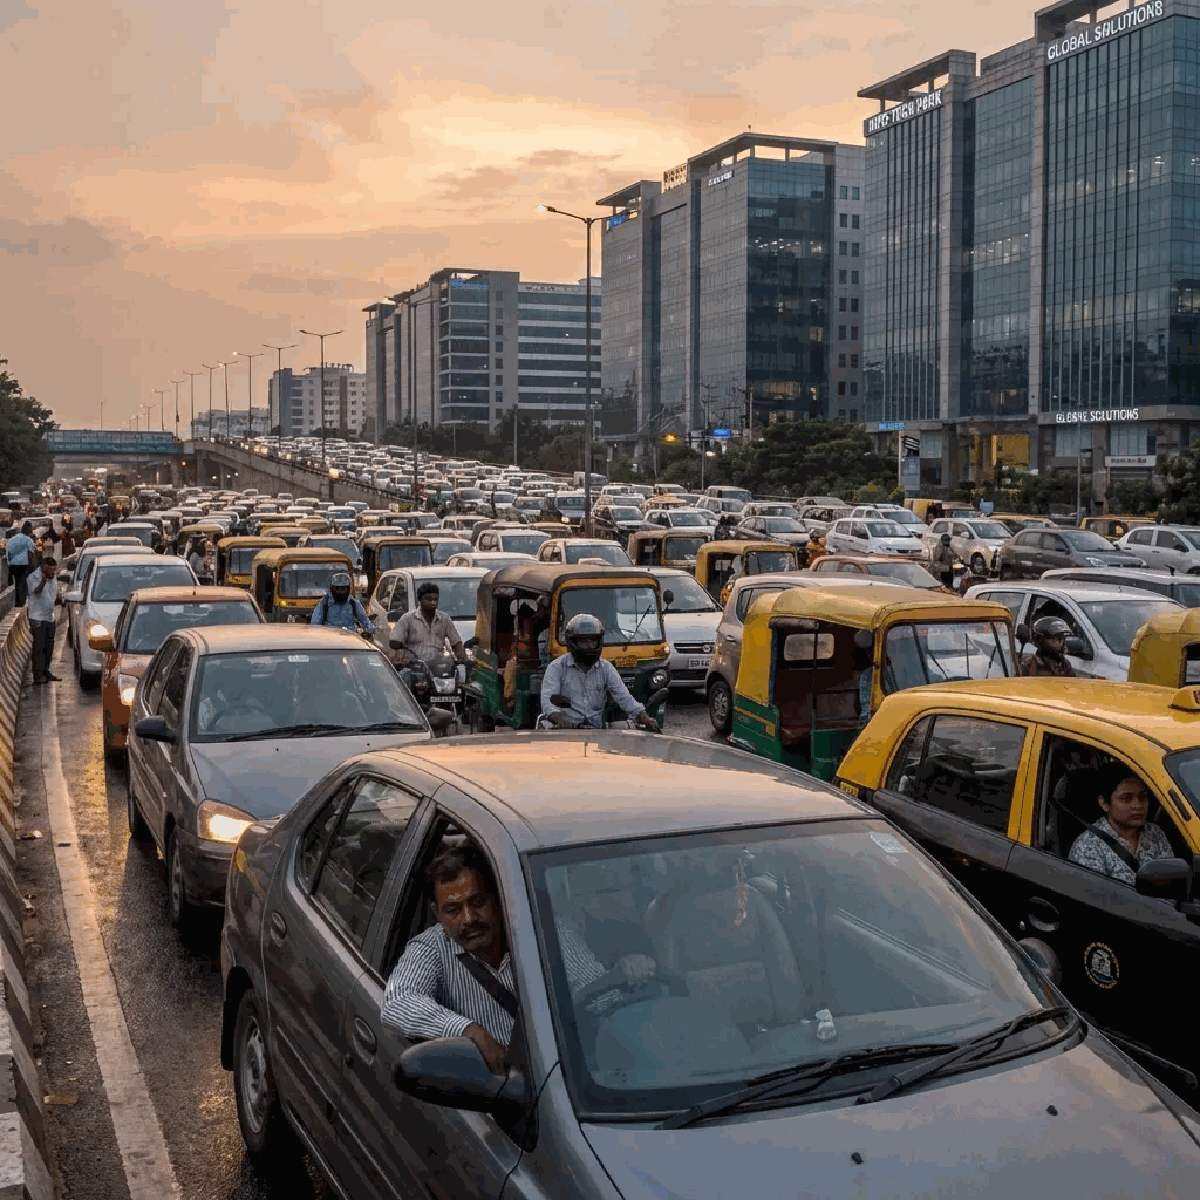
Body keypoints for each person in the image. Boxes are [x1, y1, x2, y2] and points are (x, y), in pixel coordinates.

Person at [380, 844, 655, 1073]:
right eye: (453, 909)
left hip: (572, 1078)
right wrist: (468, 1031)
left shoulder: (544, 931)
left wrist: (628, 975)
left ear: (498, 898)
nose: (469, 919)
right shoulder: (431, 948)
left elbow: (597, 995)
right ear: (436, 912)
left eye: (477, 903)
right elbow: (397, 1002)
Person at [540, 613, 660, 731]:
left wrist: (644, 716)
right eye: (584, 641)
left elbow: (624, 698)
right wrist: (561, 721)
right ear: (572, 642)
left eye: (593, 640)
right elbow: (548, 703)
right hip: (565, 731)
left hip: (596, 732)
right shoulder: (557, 668)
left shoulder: (606, 668)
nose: (590, 646)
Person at [1068, 767, 1172, 886]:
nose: (1137, 805)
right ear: (1104, 804)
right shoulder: (1088, 846)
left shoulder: (1155, 833)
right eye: (1126, 799)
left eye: (1143, 797)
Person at [391, 582, 467, 666]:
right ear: (420, 600)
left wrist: (464, 659)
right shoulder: (407, 619)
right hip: (414, 667)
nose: (433, 603)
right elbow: (396, 642)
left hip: (439, 667)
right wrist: (399, 659)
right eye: (429, 599)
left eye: (435, 599)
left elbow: (456, 643)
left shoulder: (445, 619)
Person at [28, 555, 62, 683]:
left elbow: (52, 594)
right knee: (39, 647)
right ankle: (37, 675)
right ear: (43, 568)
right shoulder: (33, 577)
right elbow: (36, 591)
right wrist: (43, 580)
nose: (52, 572)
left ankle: (46, 671)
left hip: (49, 616)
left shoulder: (52, 578)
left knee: (49, 646)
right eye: (50, 569)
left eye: (54, 569)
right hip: (37, 617)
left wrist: (58, 599)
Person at [310, 571, 375, 636]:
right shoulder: (324, 604)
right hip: (329, 639)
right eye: (337, 589)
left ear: (348, 589)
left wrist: (369, 630)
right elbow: (315, 625)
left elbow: (365, 622)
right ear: (332, 589)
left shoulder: (353, 604)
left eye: (343, 589)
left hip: (351, 640)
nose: (340, 592)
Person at [5, 521, 37, 608]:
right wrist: (33, 567)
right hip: (24, 564)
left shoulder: (12, 540)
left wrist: (9, 570)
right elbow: (31, 555)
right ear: (29, 531)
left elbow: (8, 554)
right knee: (23, 583)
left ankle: (18, 602)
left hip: (13, 565)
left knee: (17, 583)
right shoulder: (29, 540)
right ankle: (22, 603)